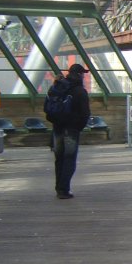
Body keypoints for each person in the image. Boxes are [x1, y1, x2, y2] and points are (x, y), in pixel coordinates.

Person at [51, 63, 91, 199]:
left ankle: (58, 188)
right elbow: (85, 113)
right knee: (69, 159)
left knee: (59, 159)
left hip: (57, 128)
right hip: (71, 129)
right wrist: (78, 127)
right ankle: (64, 189)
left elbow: (50, 106)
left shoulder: (58, 86)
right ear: (80, 75)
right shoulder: (79, 91)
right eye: (83, 74)